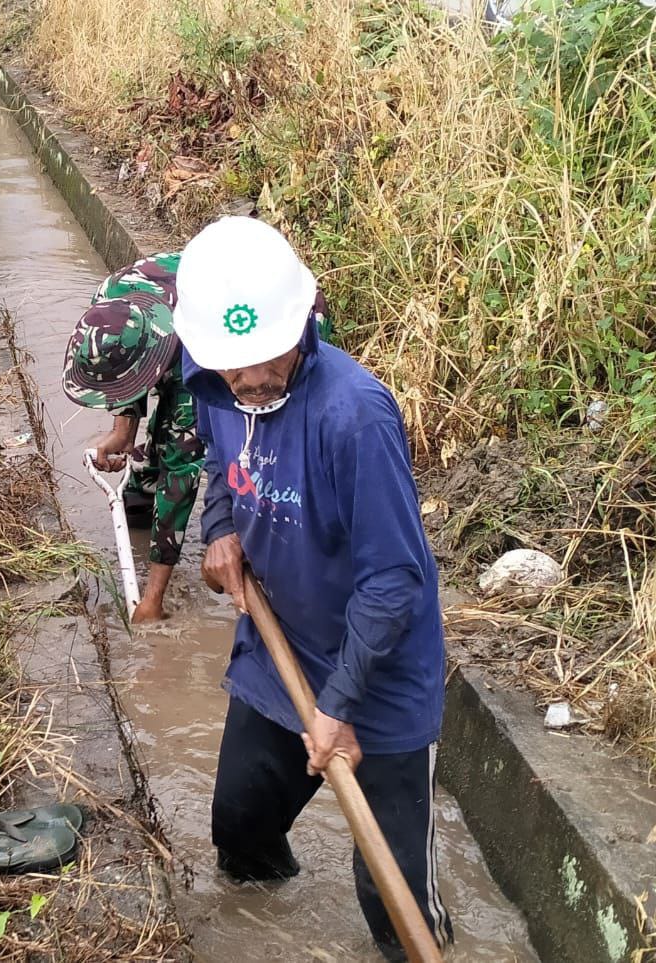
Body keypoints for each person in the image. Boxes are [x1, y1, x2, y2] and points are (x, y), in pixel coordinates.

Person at [172, 216, 453, 961]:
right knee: (241, 832)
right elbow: (221, 464)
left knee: (394, 908)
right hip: (282, 650)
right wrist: (221, 528)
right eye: (233, 370)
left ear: (303, 323)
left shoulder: (354, 416)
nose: (250, 382)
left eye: (268, 360)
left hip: (379, 675)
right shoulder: (214, 377)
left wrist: (338, 705)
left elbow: (394, 580)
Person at [62, 254, 205, 622]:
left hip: (274, 320)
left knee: (215, 445)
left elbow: (180, 477)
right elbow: (126, 369)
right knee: (144, 487)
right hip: (180, 316)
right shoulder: (110, 300)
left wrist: (153, 599)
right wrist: (122, 433)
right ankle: (142, 497)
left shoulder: (195, 353)